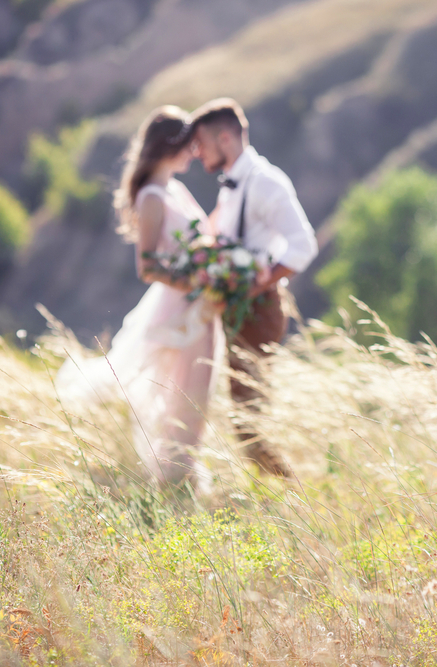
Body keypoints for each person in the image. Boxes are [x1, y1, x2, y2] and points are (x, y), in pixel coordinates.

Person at [56, 106, 225, 490]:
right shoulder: (151, 197)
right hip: (178, 306)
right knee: (179, 390)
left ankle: (179, 476)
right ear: (170, 146)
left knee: (199, 388)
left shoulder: (176, 189)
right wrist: (193, 281)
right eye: (188, 146)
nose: (195, 153)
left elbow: (203, 240)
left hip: (202, 303)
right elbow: (147, 266)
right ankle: (173, 477)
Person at [189, 98, 318, 479]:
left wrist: (262, 280)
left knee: (248, 422)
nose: (196, 154)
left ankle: (294, 494)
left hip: (258, 311)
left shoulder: (266, 181)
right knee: (245, 416)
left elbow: (303, 244)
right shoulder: (232, 185)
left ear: (225, 138)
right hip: (234, 312)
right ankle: (281, 492)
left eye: (201, 144)